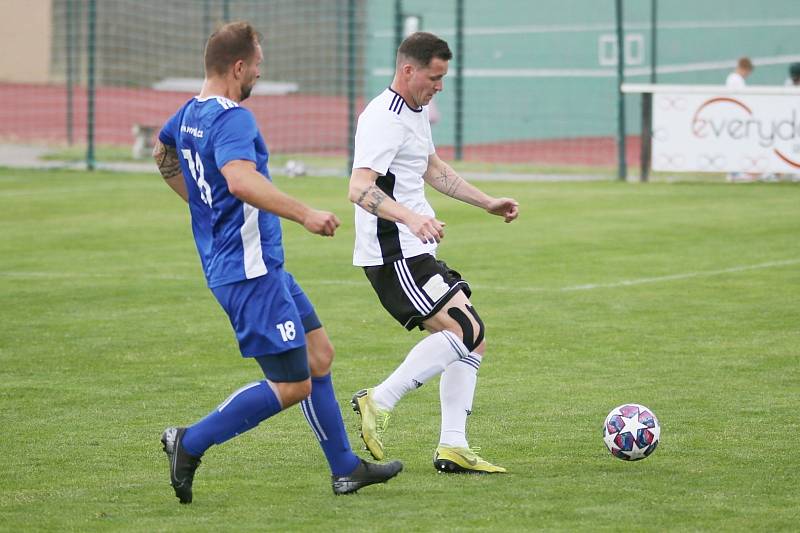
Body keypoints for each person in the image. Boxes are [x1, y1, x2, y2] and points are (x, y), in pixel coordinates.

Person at [152, 21, 402, 503]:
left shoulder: (187, 114)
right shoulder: (232, 119)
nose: (260, 76)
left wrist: (200, 206)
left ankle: (346, 468)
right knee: (292, 385)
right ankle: (190, 440)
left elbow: (162, 154)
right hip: (250, 275)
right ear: (238, 66)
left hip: (259, 268)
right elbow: (242, 181)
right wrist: (306, 213)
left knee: (319, 355)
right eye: (258, 67)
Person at [347, 32, 519, 474]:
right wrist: (409, 217)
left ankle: (453, 446)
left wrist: (486, 202)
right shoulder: (383, 118)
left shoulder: (414, 112)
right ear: (408, 70)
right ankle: (377, 401)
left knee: (473, 340)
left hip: (412, 246)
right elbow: (359, 187)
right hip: (394, 251)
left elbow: (432, 169)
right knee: (466, 329)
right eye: (434, 76)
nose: (440, 86)